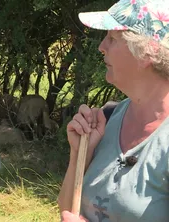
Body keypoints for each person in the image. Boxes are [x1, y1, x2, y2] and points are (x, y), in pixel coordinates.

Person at [58, 0, 169, 221]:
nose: (101, 46)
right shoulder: (107, 118)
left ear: (147, 52)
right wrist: (80, 154)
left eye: (112, 38)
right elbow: (67, 208)